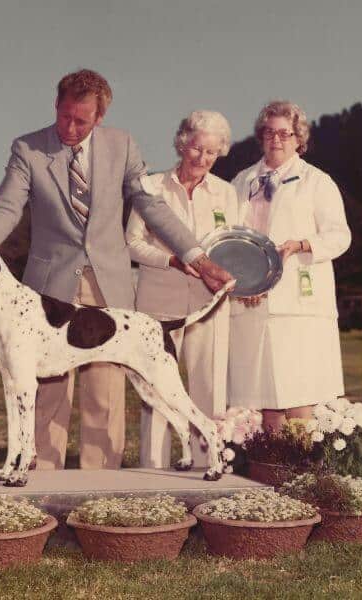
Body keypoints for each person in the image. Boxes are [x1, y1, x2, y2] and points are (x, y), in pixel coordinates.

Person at [0, 69, 232, 470]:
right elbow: (7, 207)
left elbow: (151, 205)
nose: (70, 128)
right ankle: (41, 478)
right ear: (56, 106)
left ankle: (102, 485)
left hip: (108, 282)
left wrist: (196, 256)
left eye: (81, 120)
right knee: (48, 391)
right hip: (49, 285)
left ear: (100, 118)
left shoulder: (122, 145)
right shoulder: (29, 148)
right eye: (64, 116)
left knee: (106, 393)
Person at [229, 101, 351, 431]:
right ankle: (269, 469)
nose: (277, 139)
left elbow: (340, 236)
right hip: (251, 301)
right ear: (260, 137)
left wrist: (301, 245)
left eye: (285, 133)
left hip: (298, 302)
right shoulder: (242, 181)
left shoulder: (317, 181)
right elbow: (230, 238)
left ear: (299, 139)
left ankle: (299, 476)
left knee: (300, 392)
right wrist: (243, 281)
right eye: (269, 132)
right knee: (264, 394)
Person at [126, 110, 238, 469]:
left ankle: (208, 466)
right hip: (159, 302)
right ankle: (152, 471)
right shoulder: (151, 188)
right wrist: (171, 261)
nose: (202, 159)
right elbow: (131, 244)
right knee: (158, 389)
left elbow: (233, 247)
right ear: (181, 143)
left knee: (208, 387)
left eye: (211, 153)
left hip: (210, 304)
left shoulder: (226, 193)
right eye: (196, 149)